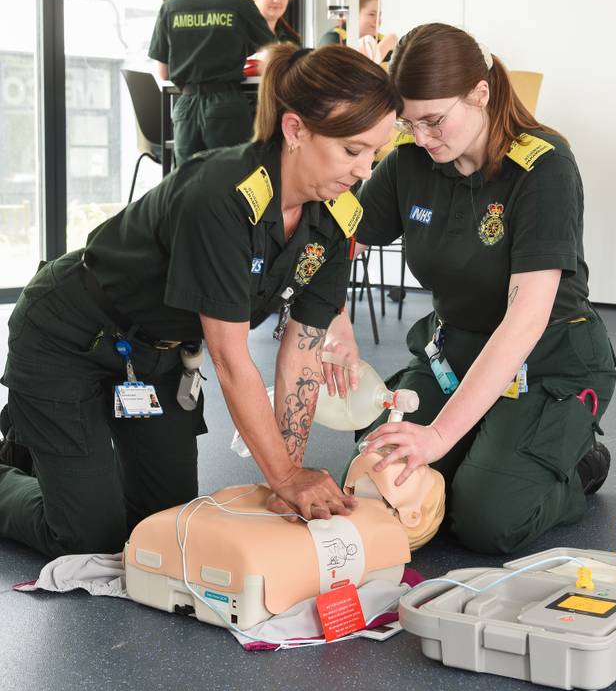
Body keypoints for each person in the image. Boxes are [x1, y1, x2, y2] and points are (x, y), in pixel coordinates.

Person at [0, 43, 399, 558]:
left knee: (161, 526)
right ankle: (30, 453)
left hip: (155, 358)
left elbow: (303, 355)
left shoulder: (336, 216)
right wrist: (285, 475)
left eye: (375, 153)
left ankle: (63, 452)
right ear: (296, 129)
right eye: (352, 150)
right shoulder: (221, 195)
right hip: (67, 336)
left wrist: (289, 481)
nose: (365, 171)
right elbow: (232, 360)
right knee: (87, 537)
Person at [324, 23, 616, 555]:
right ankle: (485, 449)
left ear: (480, 94)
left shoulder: (544, 166)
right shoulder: (410, 160)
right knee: (377, 476)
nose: (422, 138)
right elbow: (337, 234)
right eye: (409, 124)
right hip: (453, 351)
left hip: (544, 357)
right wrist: (336, 318)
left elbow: (525, 318)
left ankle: (578, 462)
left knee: (487, 518)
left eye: (434, 120)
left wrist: (438, 437)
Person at [148, 0, 274, 166]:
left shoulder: (170, 6)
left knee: (187, 183)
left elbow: (163, 73)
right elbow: (274, 52)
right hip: (227, 105)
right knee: (231, 181)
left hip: (185, 108)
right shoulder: (239, 5)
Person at [319, 0, 397, 65]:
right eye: (372, 14)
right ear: (353, 15)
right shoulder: (332, 38)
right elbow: (353, 70)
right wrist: (386, 45)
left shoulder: (381, 39)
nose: (378, 21)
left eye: (379, 15)